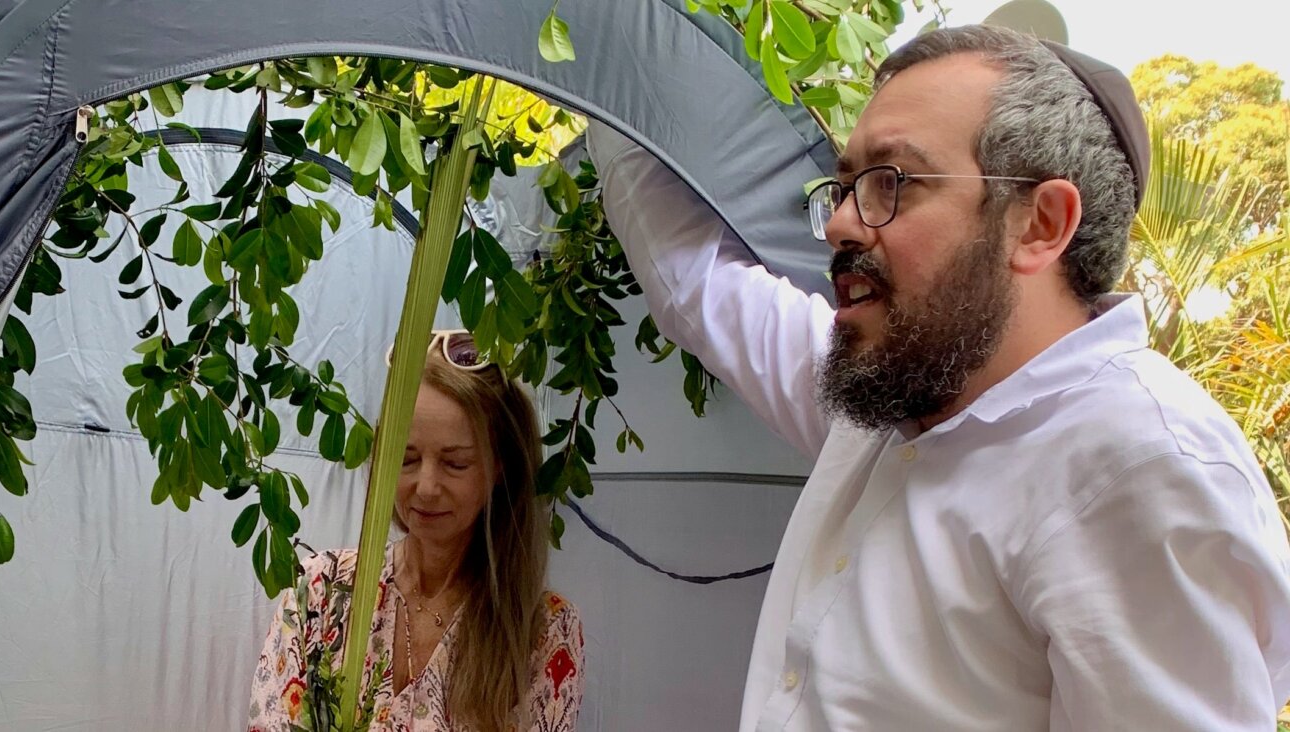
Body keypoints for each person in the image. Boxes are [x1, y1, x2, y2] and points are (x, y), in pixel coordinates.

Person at [586, 24, 1290, 731]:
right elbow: (697, 285)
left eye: (891, 182)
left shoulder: (1138, 470)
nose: (839, 224)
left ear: (1040, 224)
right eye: (844, 187)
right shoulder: (893, 393)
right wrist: (605, 59)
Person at [249, 330, 584, 731]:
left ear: (500, 466)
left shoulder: (542, 633)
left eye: (455, 463)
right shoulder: (322, 594)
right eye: (407, 459)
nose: (426, 487)